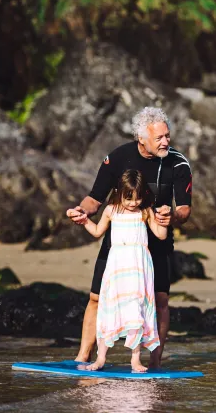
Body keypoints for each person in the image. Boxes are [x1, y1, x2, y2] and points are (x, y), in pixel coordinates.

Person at [66, 107, 192, 368]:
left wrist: (172, 216)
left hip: (155, 242)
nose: (166, 141)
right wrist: (80, 211)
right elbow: (95, 198)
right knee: (96, 297)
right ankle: (83, 356)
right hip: (118, 243)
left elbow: (184, 208)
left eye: (167, 135)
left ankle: (155, 360)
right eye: (159, 138)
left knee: (160, 300)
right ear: (141, 137)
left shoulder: (177, 163)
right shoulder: (119, 157)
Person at [73, 169, 168, 372]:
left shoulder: (145, 211)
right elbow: (98, 232)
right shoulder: (111, 211)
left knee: (137, 310)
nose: (133, 203)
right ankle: (100, 359)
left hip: (139, 268)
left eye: (137, 198)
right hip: (117, 267)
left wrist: (164, 219)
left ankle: (135, 360)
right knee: (110, 307)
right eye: (128, 198)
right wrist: (85, 221)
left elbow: (160, 235)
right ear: (119, 193)